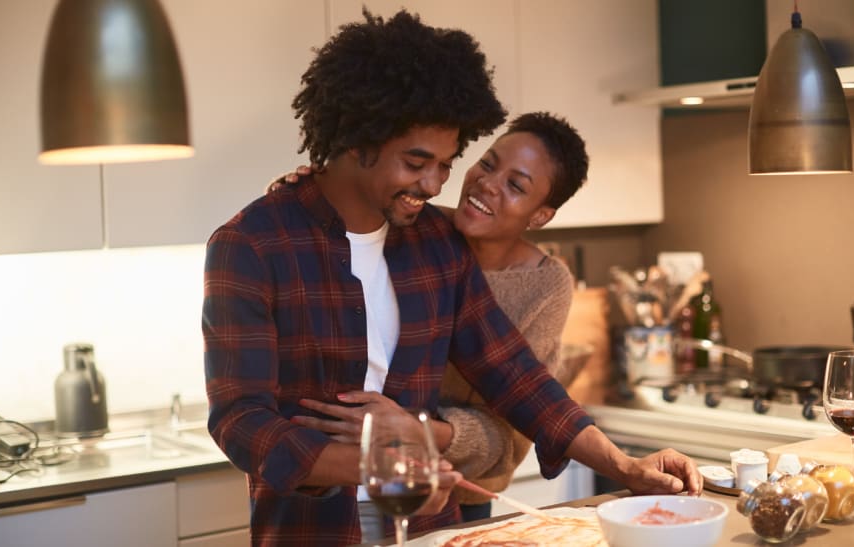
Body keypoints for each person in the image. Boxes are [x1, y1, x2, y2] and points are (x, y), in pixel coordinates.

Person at [203, 9, 701, 547]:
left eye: (446, 163)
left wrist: (625, 467)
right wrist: (372, 466)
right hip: (311, 530)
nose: (436, 183)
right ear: (358, 138)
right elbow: (241, 422)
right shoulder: (251, 245)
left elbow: (515, 375)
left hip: (428, 527)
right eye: (418, 162)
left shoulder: (434, 241)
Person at [285, 111, 589, 522]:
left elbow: (516, 418)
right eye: (488, 163)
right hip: (363, 478)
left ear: (540, 216)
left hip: (461, 492)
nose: (488, 183)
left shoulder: (545, 287)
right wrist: (314, 192)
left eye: (516, 186)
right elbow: (341, 210)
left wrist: (420, 429)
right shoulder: (413, 224)